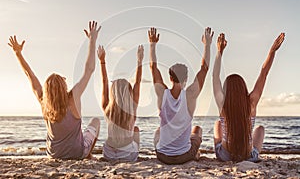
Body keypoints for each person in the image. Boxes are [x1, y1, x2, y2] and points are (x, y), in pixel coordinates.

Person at [8, 21, 101, 159]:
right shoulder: (72, 98)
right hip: (77, 153)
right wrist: (92, 41)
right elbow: (89, 70)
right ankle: (87, 154)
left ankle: (84, 152)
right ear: (63, 87)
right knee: (95, 122)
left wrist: (18, 54)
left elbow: (30, 75)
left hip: (53, 155)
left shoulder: (44, 102)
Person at [213, 33, 285, 162]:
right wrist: (272, 51)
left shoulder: (222, 105)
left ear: (226, 90)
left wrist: (219, 52)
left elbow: (215, 77)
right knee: (260, 129)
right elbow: (264, 73)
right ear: (243, 88)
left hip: (225, 157)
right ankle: (253, 153)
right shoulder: (251, 103)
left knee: (218, 123)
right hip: (248, 156)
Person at [149, 27, 213, 164]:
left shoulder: (162, 93)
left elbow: (153, 67)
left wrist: (152, 45)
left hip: (163, 156)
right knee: (197, 130)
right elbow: (204, 68)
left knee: (158, 132)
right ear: (186, 79)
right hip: (185, 156)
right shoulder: (190, 95)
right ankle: (195, 154)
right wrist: (207, 45)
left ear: (170, 78)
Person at [98, 44, 144, 161]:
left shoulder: (107, 108)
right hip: (127, 155)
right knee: (136, 130)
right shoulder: (132, 107)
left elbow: (104, 82)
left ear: (113, 92)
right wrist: (139, 61)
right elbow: (137, 82)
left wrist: (102, 61)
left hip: (108, 154)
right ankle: (133, 153)